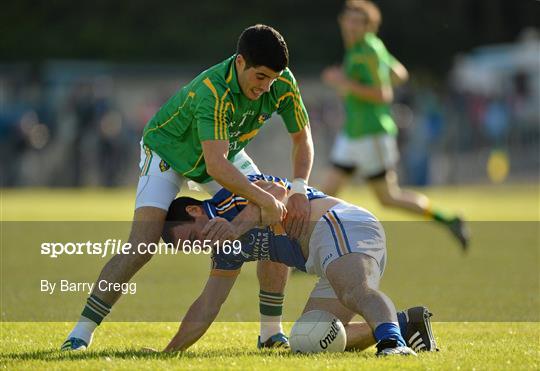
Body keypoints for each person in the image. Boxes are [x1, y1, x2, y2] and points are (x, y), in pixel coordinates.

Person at [61, 24, 314, 351]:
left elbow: (301, 138)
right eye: (260, 77)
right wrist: (266, 199)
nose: (266, 87)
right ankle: (79, 335)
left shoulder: (281, 83)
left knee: (274, 224)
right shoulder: (213, 91)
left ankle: (270, 334)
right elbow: (215, 166)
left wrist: (299, 189)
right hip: (168, 152)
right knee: (143, 244)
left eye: (273, 79)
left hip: (223, 150)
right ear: (240, 62)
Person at [157, 174, 438, 356]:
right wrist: (169, 353)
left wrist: (234, 226)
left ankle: (393, 345)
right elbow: (207, 306)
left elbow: (277, 193)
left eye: (195, 236)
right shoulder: (224, 249)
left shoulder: (228, 198)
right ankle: (404, 324)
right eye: (195, 247)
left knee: (354, 291)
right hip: (324, 252)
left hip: (338, 224)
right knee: (311, 342)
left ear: (194, 210)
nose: (203, 244)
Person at [320, 0, 468, 250]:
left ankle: (449, 219)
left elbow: (383, 95)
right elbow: (400, 73)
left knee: (388, 198)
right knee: (327, 194)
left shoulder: (368, 50)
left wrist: (344, 82)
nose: (352, 25)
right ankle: (304, 254)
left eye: (359, 22)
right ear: (342, 21)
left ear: (370, 27)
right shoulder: (363, 49)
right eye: (349, 19)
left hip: (372, 134)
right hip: (352, 133)